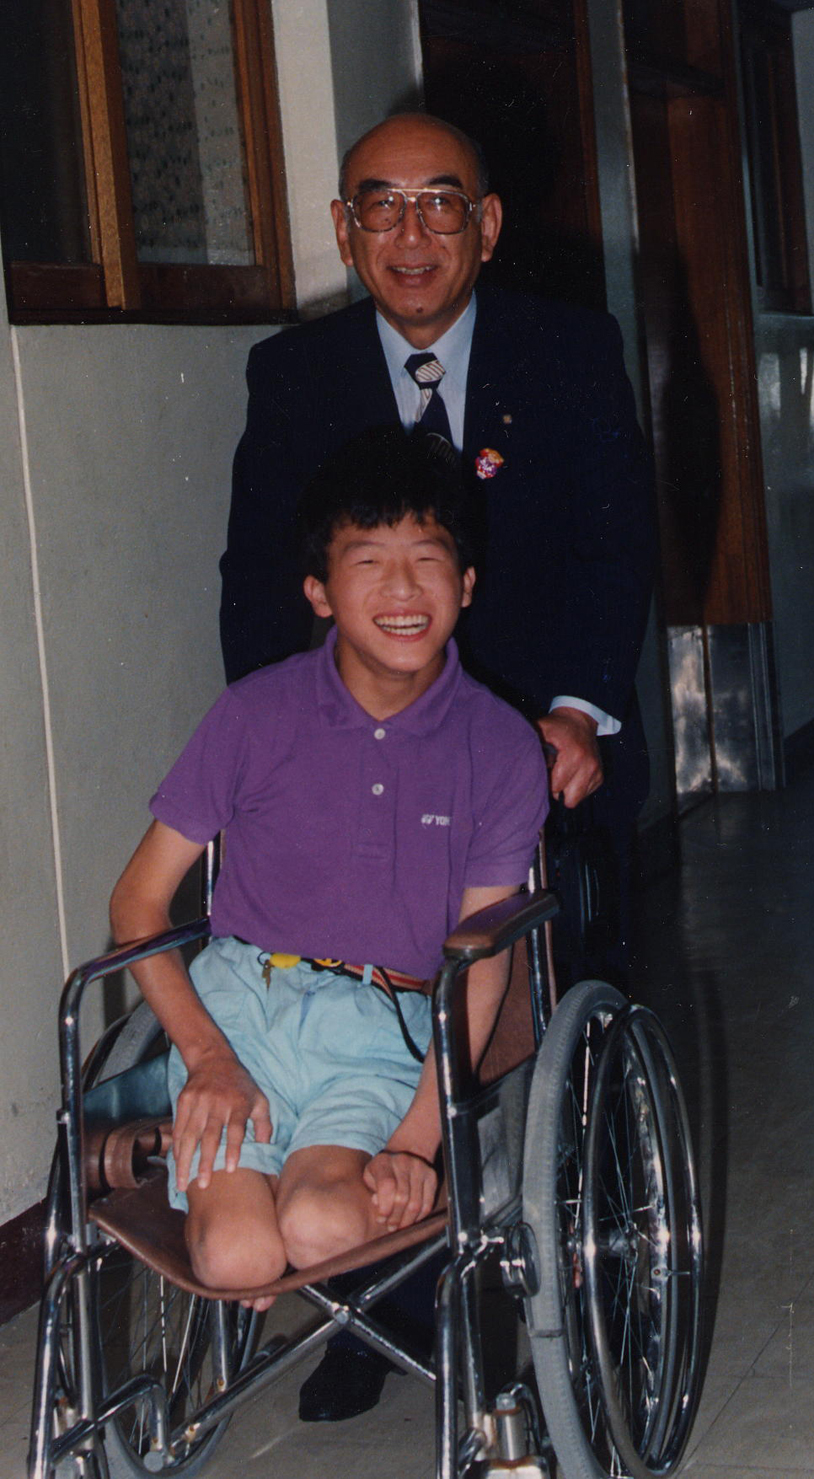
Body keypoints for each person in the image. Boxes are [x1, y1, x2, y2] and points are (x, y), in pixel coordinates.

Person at [219, 110, 655, 1416]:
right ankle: (378, 1301)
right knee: (344, 991)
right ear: (344, 229)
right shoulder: (292, 375)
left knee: (562, 1006)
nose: (411, 233)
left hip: (540, 752)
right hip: (357, 769)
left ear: (488, 223)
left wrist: (574, 712)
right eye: (381, 205)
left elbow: (614, 547)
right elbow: (258, 591)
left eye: (440, 202)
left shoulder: (568, 352)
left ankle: (602, 1282)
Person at [110, 428, 548, 1307]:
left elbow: (481, 959)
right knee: (238, 1256)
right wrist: (207, 1057)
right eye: (368, 561)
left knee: (320, 1226)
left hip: (382, 1032)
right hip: (239, 1018)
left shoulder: (501, 746)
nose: (402, 590)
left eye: (428, 559)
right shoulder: (253, 714)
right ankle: (244, 1189)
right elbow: (137, 903)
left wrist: (417, 1140)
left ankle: (285, 1182)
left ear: (466, 582)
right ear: (318, 590)